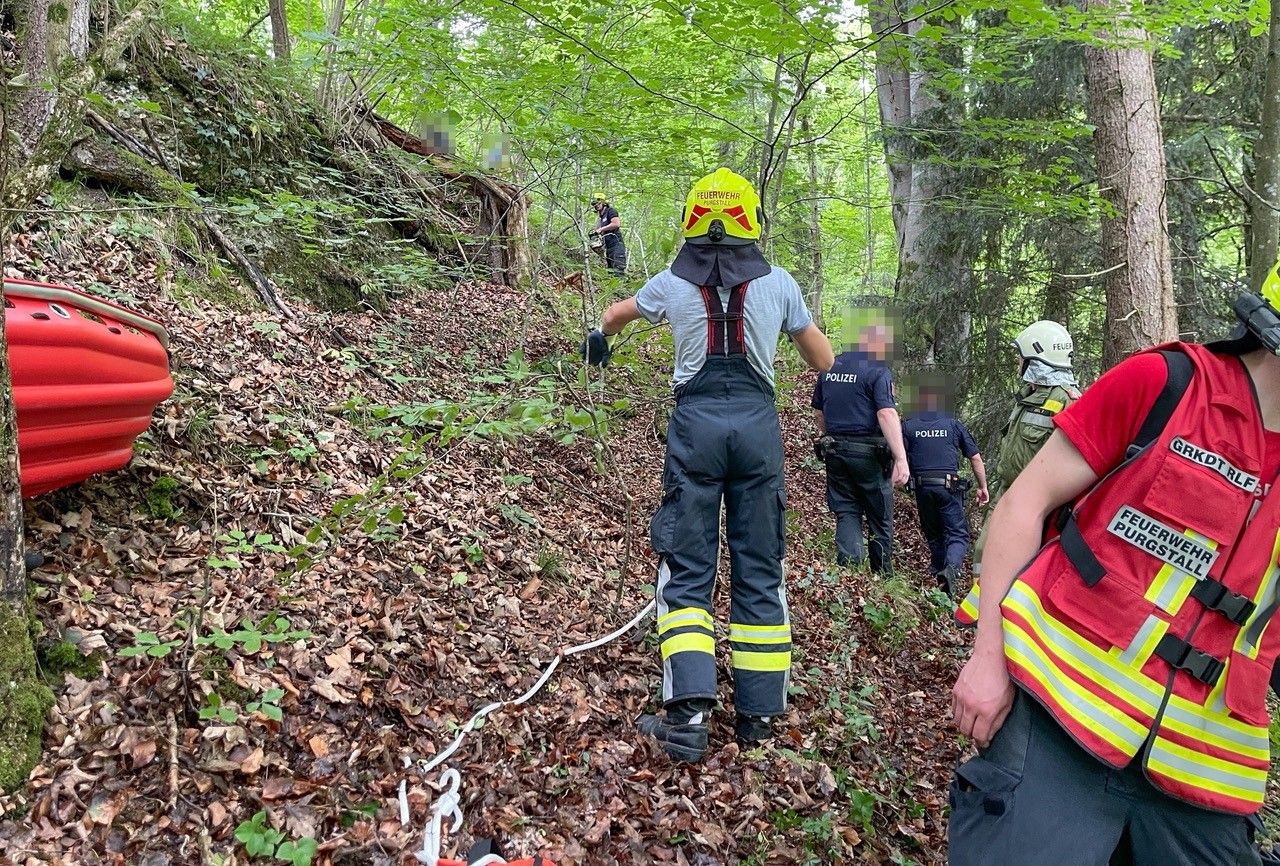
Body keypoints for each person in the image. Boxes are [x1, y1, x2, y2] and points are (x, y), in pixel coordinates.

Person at [947, 272, 1280, 866]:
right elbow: (1023, 504)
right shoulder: (1166, 385)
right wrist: (987, 656)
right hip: (1059, 716)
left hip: (1205, 774)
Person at [580, 168, 833, 762]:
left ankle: (689, 715)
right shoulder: (781, 285)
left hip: (695, 428)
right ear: (751, 220)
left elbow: (617, 315)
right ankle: (759, 719)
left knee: (688, 567)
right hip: (758, 432)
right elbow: (822, 357)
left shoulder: (671, 283)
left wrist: (599, 338)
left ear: (692, 219)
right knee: (759, 567)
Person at [970, 320, 1079, 578]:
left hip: (1034, 505)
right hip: (1006, 493)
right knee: (983, 557)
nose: (1018, 363)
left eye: (1022, 358)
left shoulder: (1067, 401)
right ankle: (978, 614)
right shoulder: (1028, 396)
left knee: (1015, 570)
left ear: (1038, 359)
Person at [811, 316, 909, 575]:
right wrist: (901, 458)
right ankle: (882, 576)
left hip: (835, 450)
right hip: (869, 455)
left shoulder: (830, 365)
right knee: (880, 518)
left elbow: (819, 412)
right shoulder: (877, 370)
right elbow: (886, 413)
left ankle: (850, 573)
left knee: (846, 510)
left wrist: (831, 436)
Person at [901, 373, 989, 598]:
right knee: (957, 534)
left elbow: (899, 456)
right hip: (948, 487)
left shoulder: (908, 426)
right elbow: (975, 458)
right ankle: (950, 570)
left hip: (921, 488)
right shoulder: (952, 425)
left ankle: (939, 580)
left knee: (934, 535)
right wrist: (983, 487)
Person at [588, 192, 627, 276]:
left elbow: (616, 224)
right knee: (610, 272)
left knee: (618, 270)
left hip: (617, 245)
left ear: (603, 202)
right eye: (595, 204)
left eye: (599, 203)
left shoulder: (611, 211)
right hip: (608, 247)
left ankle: (621, 288)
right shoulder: (600, 219)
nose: (596, 205)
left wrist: (601, 229)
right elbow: (600, 232)